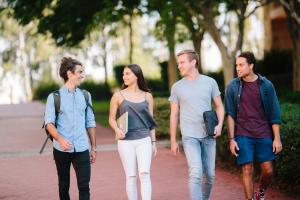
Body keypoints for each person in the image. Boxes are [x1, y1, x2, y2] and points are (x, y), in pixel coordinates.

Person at [224, 52, 283, 200]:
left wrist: (277, 138)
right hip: (243, 133)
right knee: (247, 168)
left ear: (251, 66)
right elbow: (230, 114)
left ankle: (261, 192)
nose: (237, 68)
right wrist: (231, 139)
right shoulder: (232, 86)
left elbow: (274, 113)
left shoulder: (266, 85)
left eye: (241, 65)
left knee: (268, 170)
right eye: (236, 65)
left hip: (264, 132)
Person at [169, 49, 224, 200]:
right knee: (195, 172)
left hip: (209, 134)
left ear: (193, 62)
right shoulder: (177, 87)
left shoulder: (210, 82)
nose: (179, 65)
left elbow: (219, 106)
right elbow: (174, 114)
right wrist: (173, 140)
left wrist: (219, 125)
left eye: (182, 62)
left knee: (210, 175)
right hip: (189, 136)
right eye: (178, 62)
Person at [44, 57, 97, 200]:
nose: (82, 75)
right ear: (69, 74)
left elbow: (90, 122)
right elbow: (49, 123)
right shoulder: (54, 97)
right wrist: (60, 140)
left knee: (84, 186)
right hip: (62, 149)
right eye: (80, 72)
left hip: (81, 148)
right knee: (63, 185)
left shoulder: (86, 96)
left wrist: (93, 147)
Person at [109, 64, 157, 200]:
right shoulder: (118, 96)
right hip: (125, 142)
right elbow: (111, 119)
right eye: (123, 74)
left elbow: (151, 121)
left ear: (137, 76)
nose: (124, 76)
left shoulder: (148, 96)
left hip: (144, 140)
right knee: (131, 176)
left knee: (144, 174)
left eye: (128, 73)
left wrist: (153, 142)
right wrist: (117, 129)